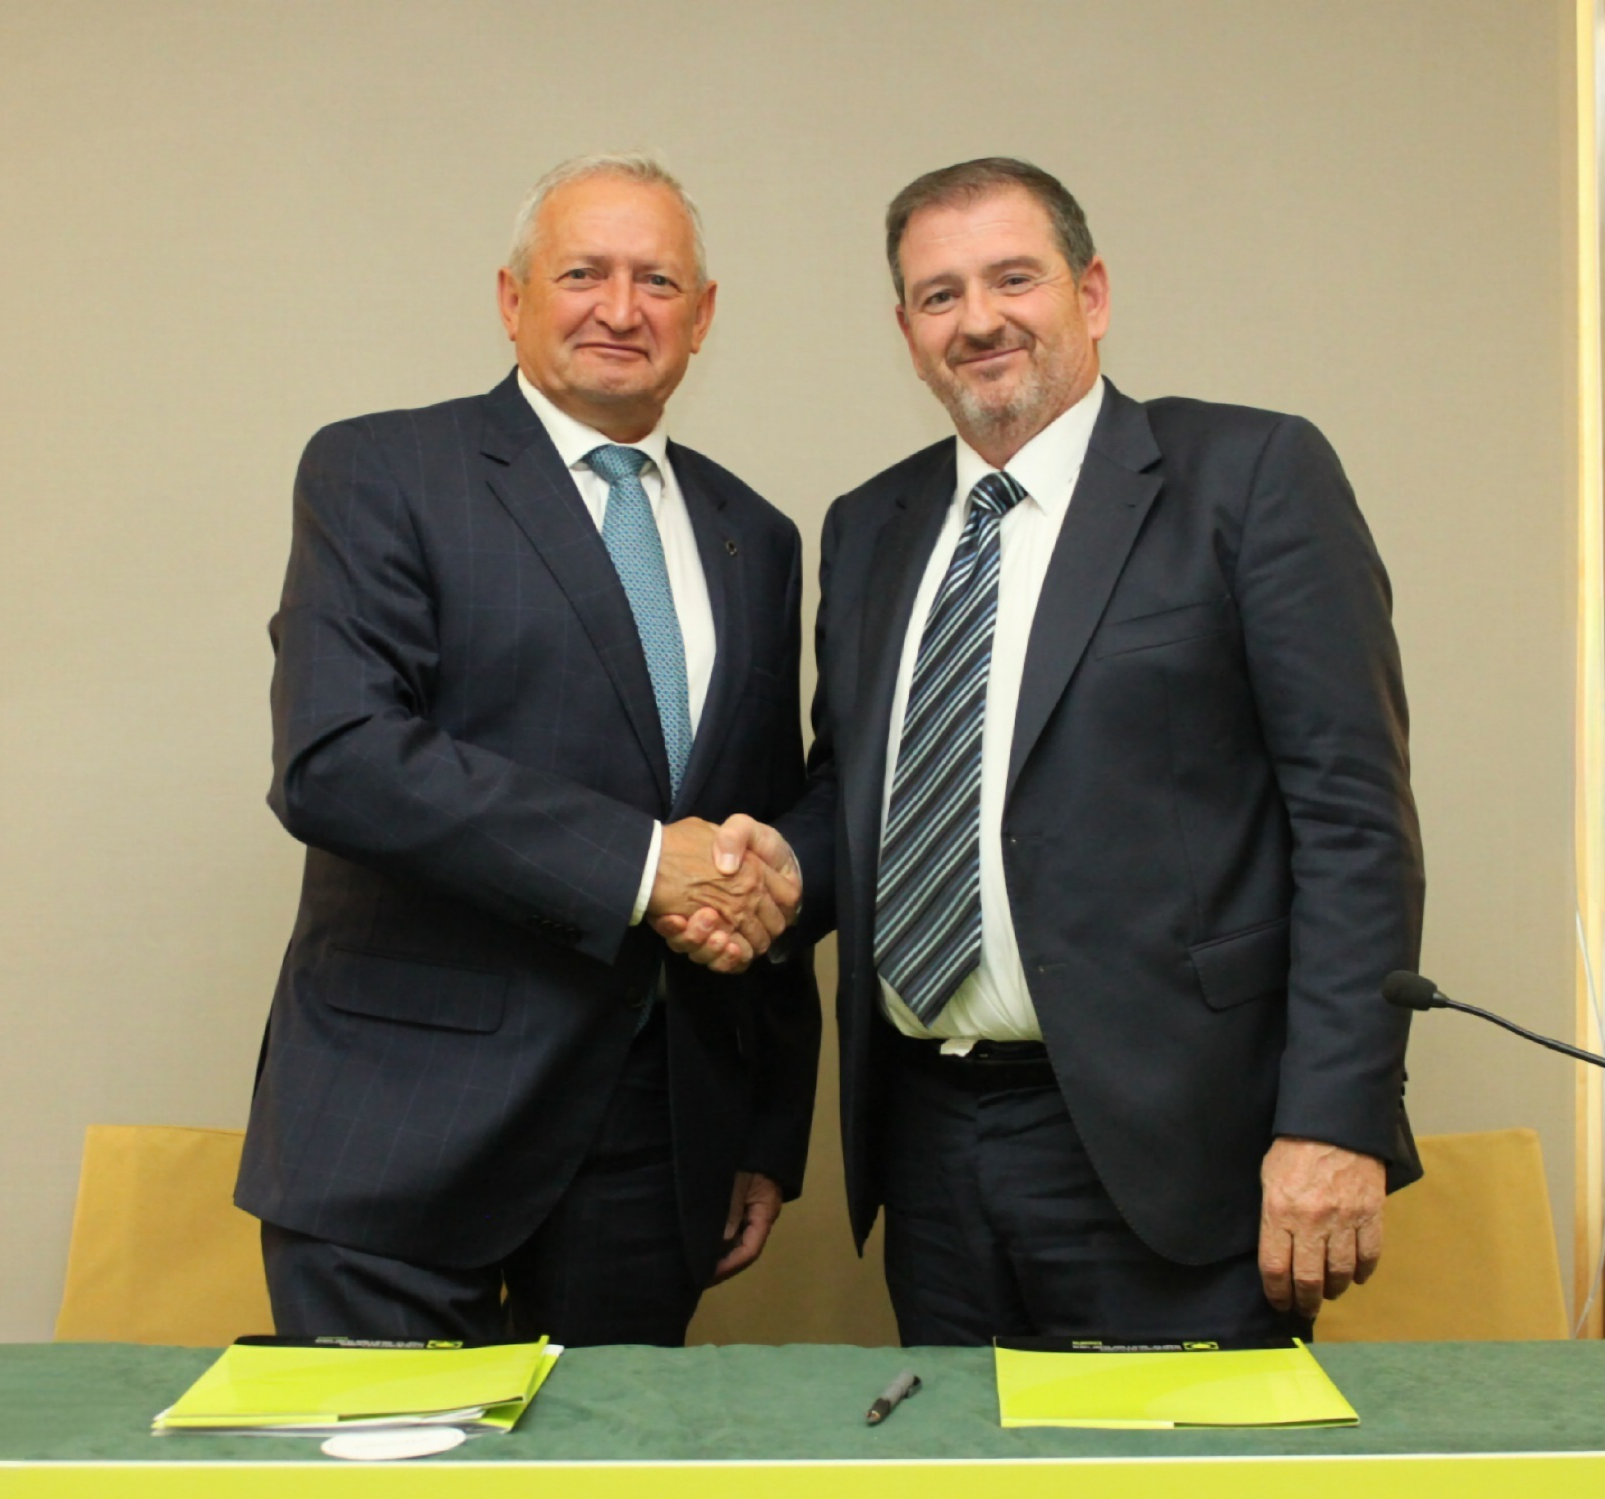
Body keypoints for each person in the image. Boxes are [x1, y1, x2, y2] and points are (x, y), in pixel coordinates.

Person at [661, 157, 1423, 1346]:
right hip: (928, 1144)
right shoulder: (869, 527)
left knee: (1175, 1472)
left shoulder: (1248, 477)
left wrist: (1333, 1119)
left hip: (1175, 1142)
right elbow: (857, 789)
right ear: (907, 332)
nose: (977, 320)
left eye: (1012, 278)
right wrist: (778, 871)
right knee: (963, 1470)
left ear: (1091, 292)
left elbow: (1352, 822)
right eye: (939, 294)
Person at [235, 154, 817, 1348]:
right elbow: (338, 757)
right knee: (387, 1474)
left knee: (617, 1473)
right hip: (399, 1132)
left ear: (702, 315)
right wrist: (642, 866)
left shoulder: (754, 535)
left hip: (654, 1149)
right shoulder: (381, 471)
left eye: (657, 280)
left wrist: (763, 1124)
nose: (620, 308)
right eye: (582, 273)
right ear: (512, 298)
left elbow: (750, 830)